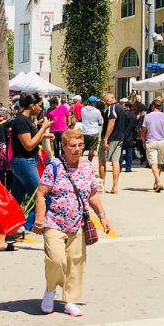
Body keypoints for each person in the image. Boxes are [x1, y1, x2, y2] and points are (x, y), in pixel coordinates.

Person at [34, 129, 111, 316]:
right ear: (64, 147)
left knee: (76, 263)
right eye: (72, 146)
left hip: (77, 223)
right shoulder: (54, 167)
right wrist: (39, 220)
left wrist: (102, 215)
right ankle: (51, 290)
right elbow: (41, 194)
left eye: (80, 145)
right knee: (56, 259)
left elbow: (92, 194)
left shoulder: (86, 168)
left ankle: (70, 300)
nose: (77, 149)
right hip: (54, 222)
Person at [8, 93, 51, 227]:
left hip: (25, 162)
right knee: (40, 194)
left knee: (16, 199)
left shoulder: (26, 120)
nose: (40, 108)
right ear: (32, 106)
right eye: (39, 105)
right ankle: (35, 224)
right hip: (24, 162)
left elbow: (30, 140)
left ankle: (8, 226)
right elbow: (29, 145)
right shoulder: (21, 121)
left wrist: (43, 135)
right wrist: (43, 128)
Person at [142, 99, 164, 192]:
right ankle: (156, 183)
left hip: (151, 141)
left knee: (153, 163)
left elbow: (143, 131)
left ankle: (158, 182)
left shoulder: (147, 117)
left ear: (153, 107)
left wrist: (143, 141)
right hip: (162, 142)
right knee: (159, 163)